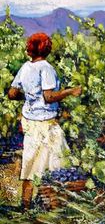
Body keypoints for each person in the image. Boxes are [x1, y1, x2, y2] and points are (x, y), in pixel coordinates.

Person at [8, 32, 82, 210]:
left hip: (30, 123)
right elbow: (49, 97)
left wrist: (31, 98)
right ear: (47, 49)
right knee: (57, 163)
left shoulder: (25, 67)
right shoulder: (46, 68)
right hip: (45, 124)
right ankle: (56, 206)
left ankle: (25, 206)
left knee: (30, 163)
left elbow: (12, 94)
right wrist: (70, 91)